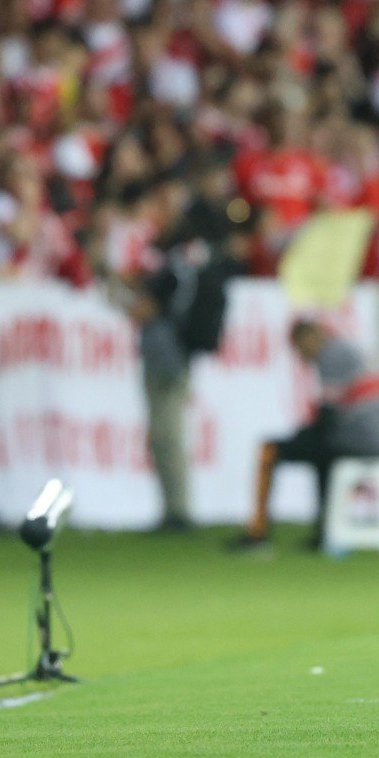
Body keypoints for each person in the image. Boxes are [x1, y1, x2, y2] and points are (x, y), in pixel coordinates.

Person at [130, 160, 246, 531]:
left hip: (167, 352)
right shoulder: (190, 253)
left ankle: (177, 510)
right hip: (178, 349)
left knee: (166, 432)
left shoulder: (175, 256)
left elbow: (150, 303)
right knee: (167, 431)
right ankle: (174, 507)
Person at [231, 317, 379, 552]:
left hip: (364, 436)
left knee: (271, 449)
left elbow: (328, 416)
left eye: (299, 348)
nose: (301, 357)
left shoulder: (331, 355)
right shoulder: (354, 350)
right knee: (324, 455)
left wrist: (298, 437)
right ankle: (327, 531)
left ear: (310, 338)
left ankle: (258, 533)